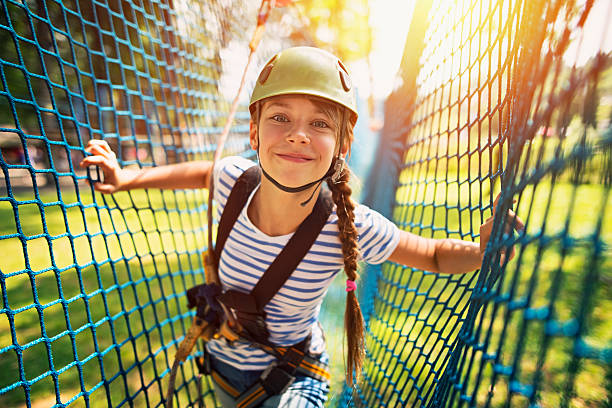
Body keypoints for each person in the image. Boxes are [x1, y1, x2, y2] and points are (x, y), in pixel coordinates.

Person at [79, 46, 523, 408]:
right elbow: (200, 173)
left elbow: (431, 254)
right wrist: (126, 180)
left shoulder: (346, 224)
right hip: (220, 364)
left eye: (319, 123)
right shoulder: (234, 180)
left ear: (342, 144)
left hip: (291, 379)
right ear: (253, 133)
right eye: (280, 118)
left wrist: (482, 253)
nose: (298, 134)